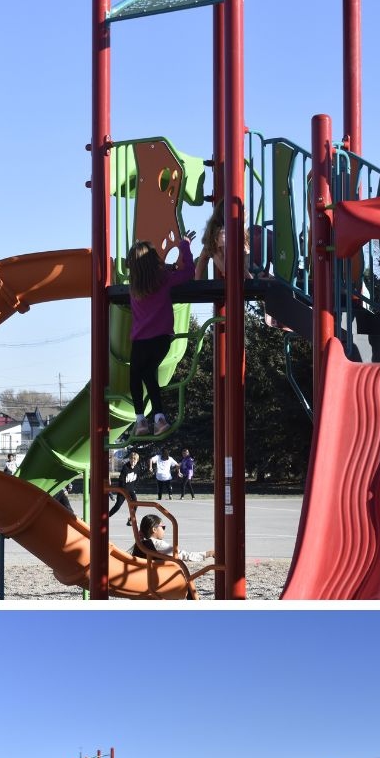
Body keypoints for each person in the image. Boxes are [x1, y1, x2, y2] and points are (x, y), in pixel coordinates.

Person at [128, 233, 196, 436]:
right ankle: (159, 418)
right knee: (149, 373)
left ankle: (141, 420)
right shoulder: (163, 279)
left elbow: (148, 271)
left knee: (135, 376)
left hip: (140, 341)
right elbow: (189, 272)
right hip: (162, 339)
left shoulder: (134, 284)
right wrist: (184, 246)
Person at [194, 199, 252, 281]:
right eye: (242, 220)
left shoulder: (214, 238)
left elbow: (203, 259)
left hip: (247, 271)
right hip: (245, 274)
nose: (244, 223)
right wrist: (250, 278)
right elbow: (232, 261)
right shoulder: (223, 234)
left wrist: (197, 280)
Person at [131, 514, 215, 565]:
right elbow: (184, 555)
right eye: (163, 527)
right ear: (154, 529)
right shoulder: (159, 545)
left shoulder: (140, 543)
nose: (164, 530)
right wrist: (209, 553)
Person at [110, 450, 141, 521]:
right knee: (117, 506)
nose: (133, 462)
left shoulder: (137, 468)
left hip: (131, 490)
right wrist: (123, 490)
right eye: (131, 460)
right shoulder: (125, 467)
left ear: (137, 460)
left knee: (135, 504)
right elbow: (121, 480)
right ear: (129, 459)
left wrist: (134, 488)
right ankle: (107, 516)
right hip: (123, 490)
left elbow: (137, 479)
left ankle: (131, 519)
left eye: (134, 460)